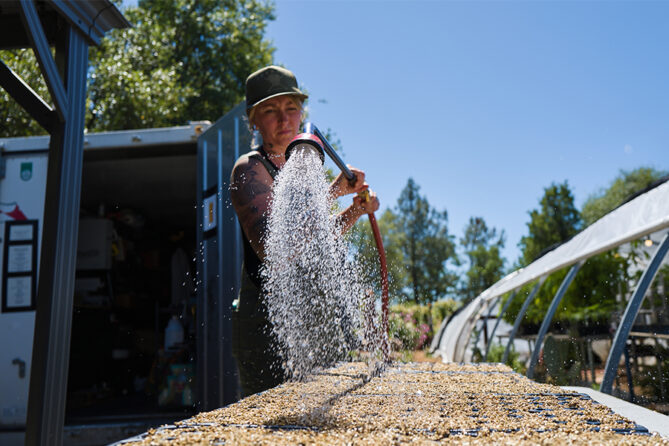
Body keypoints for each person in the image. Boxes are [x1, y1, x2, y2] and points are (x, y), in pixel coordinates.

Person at [229, 65, 379, 396]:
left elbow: (313, 239)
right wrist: (331, 194)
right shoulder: (249, 170)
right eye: (270, 111)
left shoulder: (303, 172)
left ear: (302, 114)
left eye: (291, 108)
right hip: (267, 327)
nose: (284, 120)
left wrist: (354, 210)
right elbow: (277, 250)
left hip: (316, 318)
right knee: (272, 424)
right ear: (253, 120)